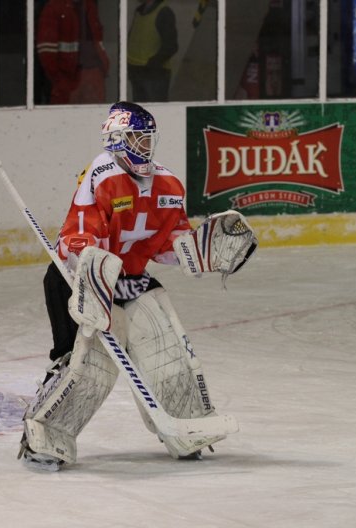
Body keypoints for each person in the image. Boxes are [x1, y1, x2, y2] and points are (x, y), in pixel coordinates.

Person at [18, 101, 258, 471]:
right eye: (136, 138)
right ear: (116, 140)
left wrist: (195, 250)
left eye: (147, 139)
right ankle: (44, 437)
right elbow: (75, 237)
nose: (144, 146)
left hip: (130, 279)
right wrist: (91, 268)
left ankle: (186, 426)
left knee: (169, 352)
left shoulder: (169, 184)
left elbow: (166, 246)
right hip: (77, 277)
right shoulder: (102, 173)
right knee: (88, 364)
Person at [36, 0, 110, 104]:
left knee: (95, 117)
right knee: (66, 117)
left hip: (94, 75)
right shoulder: (54, 7)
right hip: (69, 78)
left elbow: (98, 39)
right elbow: (46, 51)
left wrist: (102, 68)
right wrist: (61, 81)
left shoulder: (89, 5)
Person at [127, 0, 178, 102]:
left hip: (154, 75)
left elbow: (171, 46)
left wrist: (152, 64)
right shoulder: (139, 12)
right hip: (137, 72)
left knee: (155, 113)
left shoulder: (164, 12)